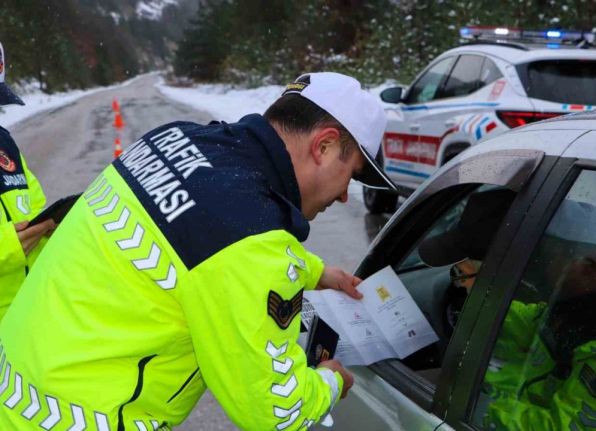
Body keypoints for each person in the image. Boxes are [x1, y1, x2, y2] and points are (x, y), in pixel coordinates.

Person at [0, 72, 397, 430]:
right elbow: (275, 409)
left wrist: (313, 271)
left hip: (16, 391)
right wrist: (330, 380)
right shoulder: (249, 238)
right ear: (325, 146)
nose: (347, 195)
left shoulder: (175, 139)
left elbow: (198, 240)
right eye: (354, 174)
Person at [419, 191, 596, 430]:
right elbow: (531, 324)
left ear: (588, 265)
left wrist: (472, 405)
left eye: (544, 258)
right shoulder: (589, 306)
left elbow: (555, 428)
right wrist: (473, 301)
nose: (532, 268)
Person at [0, 41, 54, 320]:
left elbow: (34, 206)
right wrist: (8, 247)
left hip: (22, 321)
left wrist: (49, 227)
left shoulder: (4, 142)